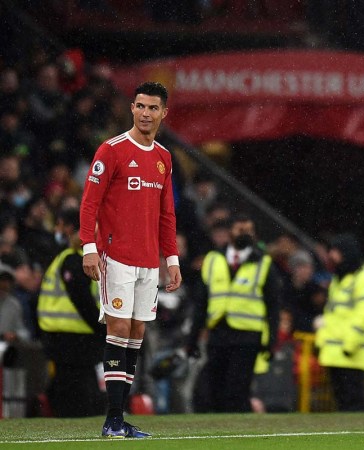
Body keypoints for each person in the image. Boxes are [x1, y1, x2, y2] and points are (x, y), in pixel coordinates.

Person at [79, 81, 182, 439]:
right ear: (132, 109)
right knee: (118, 330)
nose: (145, 113)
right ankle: (112, 419)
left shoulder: (164, 158)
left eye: (153, 108)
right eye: (140, 106)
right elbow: (89, 202)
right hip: (116, 256)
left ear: (163, 113)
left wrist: (172, 258)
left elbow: (167, 214)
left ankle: (119, 417)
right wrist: (88, 247)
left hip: (149, 262)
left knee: (137, 333)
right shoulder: (112, 150)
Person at [186, 213, 281, 413]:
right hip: (218, 332)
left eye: (249, 230)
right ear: (230, 232)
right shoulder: (213, 260)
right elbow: (201, 303)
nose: (244, 234)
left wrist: (271, 340)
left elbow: (273, 306)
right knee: (215, 388)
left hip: (247, 336)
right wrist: (193, 339)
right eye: (240, 229)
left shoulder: (263, 263)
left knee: (237, 389)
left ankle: (239, 433)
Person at [37, 207, 106, 417]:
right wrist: (103, 328)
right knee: (80, 397)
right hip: (72, 339)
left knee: (75, 389)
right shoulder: (74, 261)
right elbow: (82, 301)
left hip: (66, 340)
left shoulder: (65, 258)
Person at [315, 233, 364, 411]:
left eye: (336, 253)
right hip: (335, 352)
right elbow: (332, 314)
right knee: (343, 402)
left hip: (352, 352)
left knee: (354, 401)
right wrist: (321, 341)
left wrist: (350, 345)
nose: (332, 258)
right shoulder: (341, 279)